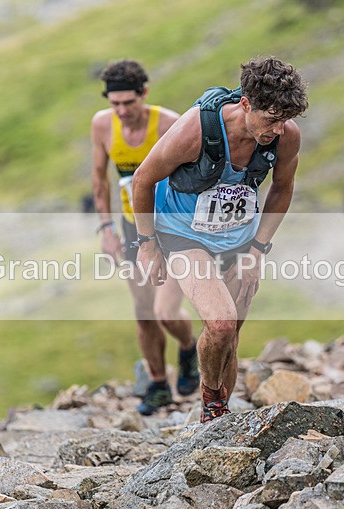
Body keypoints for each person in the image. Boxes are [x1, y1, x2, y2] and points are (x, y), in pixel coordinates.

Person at [131, 57, 308, 422]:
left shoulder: (286, 135)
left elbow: (282, 188)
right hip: (182, 233)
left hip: (239, 239)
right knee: (222, 322)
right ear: (245, 103)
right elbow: (143, 180)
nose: (277, 129)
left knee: (231, 337)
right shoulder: (196, 129)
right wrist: (147, 245)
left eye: (284, 119)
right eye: (271, 118)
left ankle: (220, 419)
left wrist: (258, 249)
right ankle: (211, 405)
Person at [90, 59, 198, 415]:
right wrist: (106, 230)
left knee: (164, 311)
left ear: (144, 94)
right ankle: (157, 384)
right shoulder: (102, 126)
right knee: (142, 312)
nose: (121, 111)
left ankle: (187, 347)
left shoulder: (170, 123)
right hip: (130, 226)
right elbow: (99, 179)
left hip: (171, 226)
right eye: (114, 103)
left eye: (128, 103)